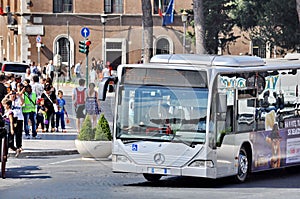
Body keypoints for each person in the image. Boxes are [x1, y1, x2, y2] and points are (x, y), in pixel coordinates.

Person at [10, 90, 24, 157]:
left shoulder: (18, 100)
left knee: (18, 134)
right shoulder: (9, 102)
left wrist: (19, 95)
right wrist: (8, 95)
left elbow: (22, 102)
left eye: (13, 95)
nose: (12, 96)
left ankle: (19, 146)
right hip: (12, 119)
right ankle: (12, 146)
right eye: (11, 95)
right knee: (11, 133)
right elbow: (3, 101)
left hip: (19, 119)